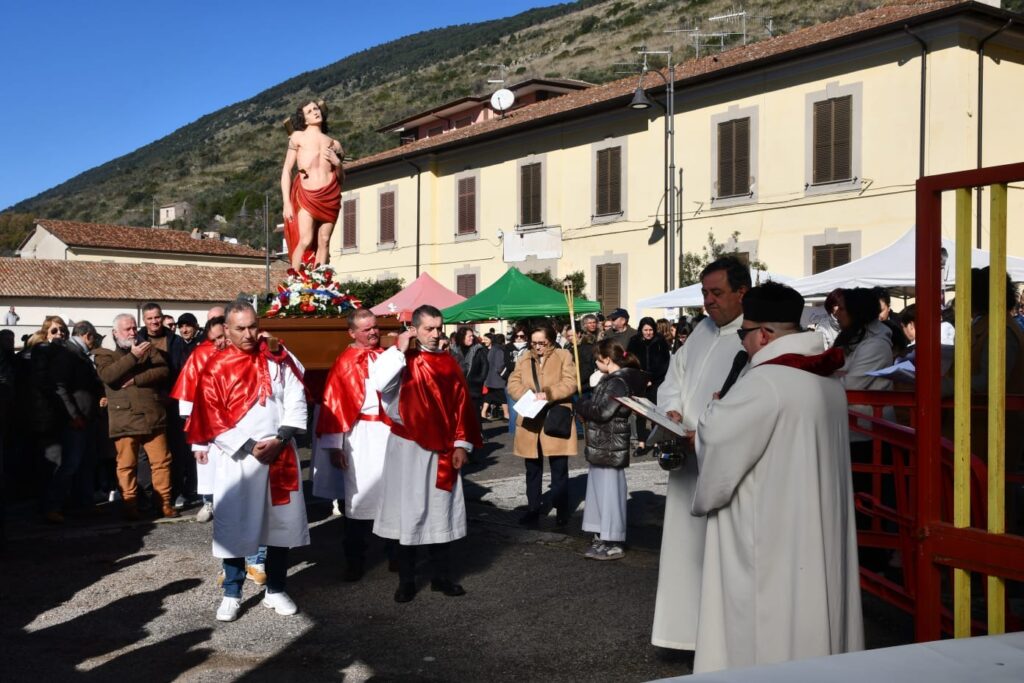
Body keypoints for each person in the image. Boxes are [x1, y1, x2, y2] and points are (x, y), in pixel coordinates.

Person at [691, 282, 863, 672]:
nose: (744, 344)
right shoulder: (828, 379)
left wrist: (714, 412)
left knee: (766, 635)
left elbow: (716, 439)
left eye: (744, 334)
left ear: (764, 335)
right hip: (816, 531)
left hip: (771, 538)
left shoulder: (765, 383)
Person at [187, 301, 309, 622]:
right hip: (239, 458)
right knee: (235, 526)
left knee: (278, 526)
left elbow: (296, 395)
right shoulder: (216, 366)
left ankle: (276, 589)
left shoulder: (277, 358)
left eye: (253, 326)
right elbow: (210, 413)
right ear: (226, 330)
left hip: (279, 455)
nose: (248, 334)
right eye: (240, 328)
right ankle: (232, 591)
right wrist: (251, 445)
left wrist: (281, 438)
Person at [652, 255, 750, 653]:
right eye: (704, 293)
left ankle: (717, 641)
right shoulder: (701, 331)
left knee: (715, 554)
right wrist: (672, 409)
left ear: (742, 292)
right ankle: (682, 635)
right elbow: (673, 378)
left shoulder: (753, 336)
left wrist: (706, 430)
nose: (708, 302)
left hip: (717, 461)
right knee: (682, 551)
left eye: (717, 293)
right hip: (685, 457)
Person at [371, 305, 482, 603]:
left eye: (438, 328)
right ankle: (406, 581)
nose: (435, 334)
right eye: (428, 329)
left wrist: (462, 444)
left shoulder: (449, 363)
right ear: (414, 329)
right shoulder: (401, 360)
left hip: (442, 451)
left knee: (439, 512)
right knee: (410, 513)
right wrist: (399, 349)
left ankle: (441, 578)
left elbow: (462, 406)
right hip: (408, 449)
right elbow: (379, 382)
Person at [314, 308, 392, 582]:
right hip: (359, 437)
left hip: (389, 432)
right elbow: (334, 404)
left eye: (375, 327)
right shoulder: (345, 362)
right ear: (352, 333)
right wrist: (336, 447)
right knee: (357, 501)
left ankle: (395, 554)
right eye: (366, 329)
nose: (373, 332)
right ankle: (355, 561)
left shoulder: (388, 357)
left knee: (392, 496)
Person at [94, 314, 178, 520]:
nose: (132, 333)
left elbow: (163, 370)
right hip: (125, 418)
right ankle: (130, 505)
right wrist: (132, 357)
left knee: (162, 462)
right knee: (126, 465)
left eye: (134, 328)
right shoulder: (104, 355)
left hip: (152, 415)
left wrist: (137, 379)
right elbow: (109, 376)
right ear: (115, 333)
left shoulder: (147, 349)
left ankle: (164, 503)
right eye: (127, 329)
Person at [576, 339, 647, 560]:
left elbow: (603, 412)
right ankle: (600, 535)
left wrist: (581, 405)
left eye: (598, 360)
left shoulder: (618, 382)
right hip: (602, 442)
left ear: (607, 359)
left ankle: (613, 539)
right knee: (598, 491)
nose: (596, 364)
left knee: (610, 493)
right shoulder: (611, 379)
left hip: (610, 442)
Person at [507, 323, 578, 527]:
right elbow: (513, 383)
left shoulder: (564, 355)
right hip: (530, 419)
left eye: (542, 343)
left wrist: (547, 394)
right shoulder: (524, 358)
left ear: (551, 340)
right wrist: (527, 396)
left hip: (555, 416)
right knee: (532, 468)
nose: (538, 347)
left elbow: (570, 382)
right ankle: (533, 509)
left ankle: (562, 509)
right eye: (534, 343)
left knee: (559, 468)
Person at [171, 315, 229, 524]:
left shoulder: (240, 354)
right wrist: (189, 415)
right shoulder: (200, 354)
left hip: (234, 419)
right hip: (206, 420)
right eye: (214, 339)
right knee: (208, 465)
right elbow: (188, 386)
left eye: (223, 337)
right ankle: (209, 502)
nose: (219, 343)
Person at [281, 99, 344, 270]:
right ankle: (295, 284)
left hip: (330, 196)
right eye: (309, 111)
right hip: (307, 196)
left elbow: (341, 179)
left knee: (324, 241)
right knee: (306, 240)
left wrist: (337, 163)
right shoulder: (297, 137)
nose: (315, 112)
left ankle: (320, 283)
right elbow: (287, 170)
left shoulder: (334, 144)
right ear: (305, 120)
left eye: (316, 109)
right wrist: (286, 203)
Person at [627, 316, 672, 442]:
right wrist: (640, 377)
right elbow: (629, 361)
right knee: (640, 412)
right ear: (641, 330)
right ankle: (642, 441)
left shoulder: (660, 341)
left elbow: (665, 363)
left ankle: (656, 441)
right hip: (639, 382)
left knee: (655, 412)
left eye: (651, 330)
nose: (648, 333)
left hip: (656, 382)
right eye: (645, 330)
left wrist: (652, 378)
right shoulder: (634, 341)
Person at [450, 326, 488, 418]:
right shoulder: (453, 350)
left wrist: (479, 379)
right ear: (462, 337)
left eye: (472, 336)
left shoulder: (478, 349)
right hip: (458, 388)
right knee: (460, 415)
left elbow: (485, 366)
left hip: (473, 388)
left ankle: (478, 432)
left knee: (474, 414)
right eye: (469, 336)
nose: (472, 338)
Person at [482, 333, 509, 421]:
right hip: (497, 380)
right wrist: (506, 375)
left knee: (489, 396)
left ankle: (483, 412)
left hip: (490, 378)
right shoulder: (499, 350)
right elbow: (500, 366)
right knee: (503, 398)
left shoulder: (492, 349)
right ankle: (506, 414)